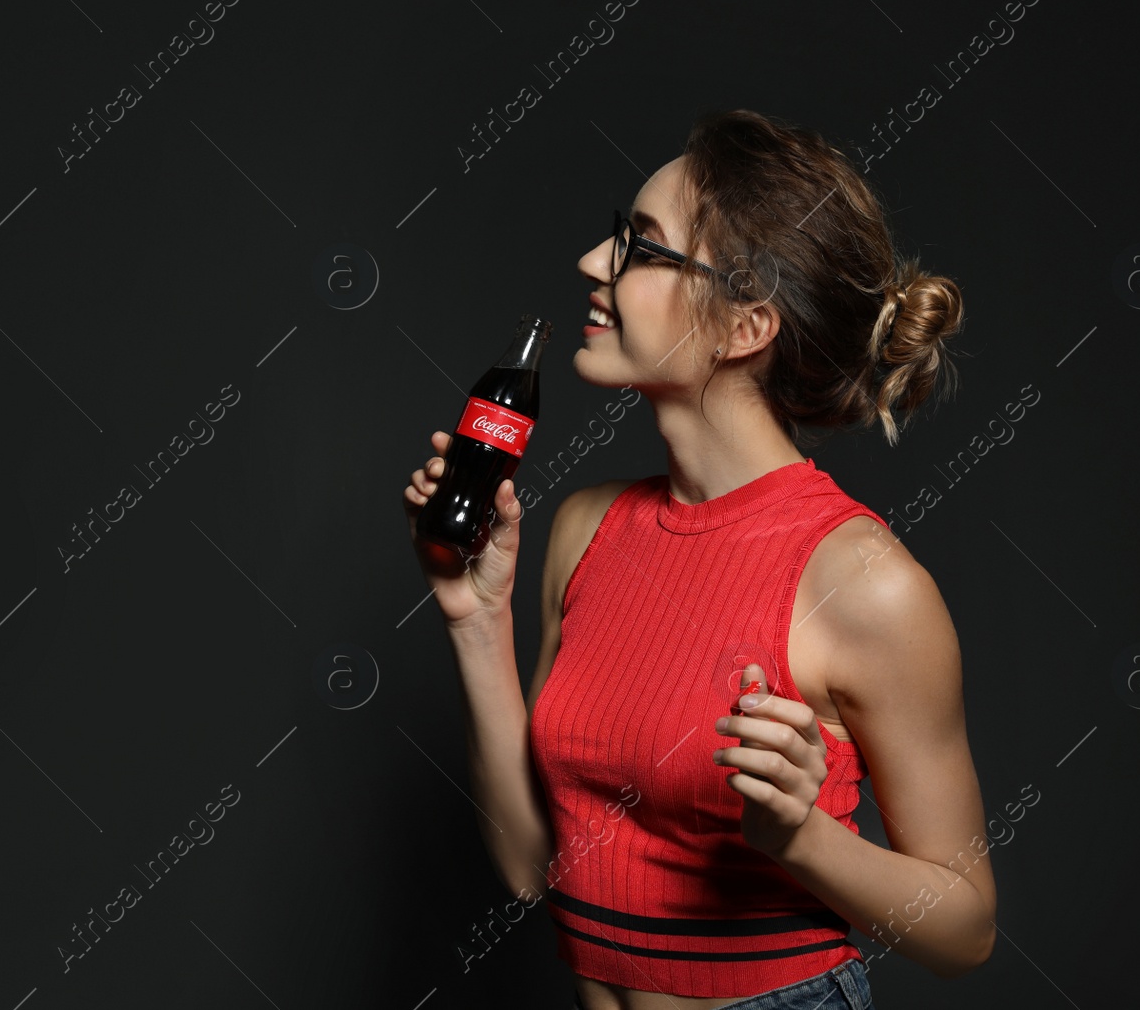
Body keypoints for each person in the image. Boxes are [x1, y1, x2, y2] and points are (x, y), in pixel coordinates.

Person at [404, 108, 994, 1010]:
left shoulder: (867, 583)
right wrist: (476, 618)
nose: (593, 265)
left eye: (641, 248)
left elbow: (964, 932)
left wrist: (802, 838)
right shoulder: (585, 526)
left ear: (745, 324)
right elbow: (533, 868)